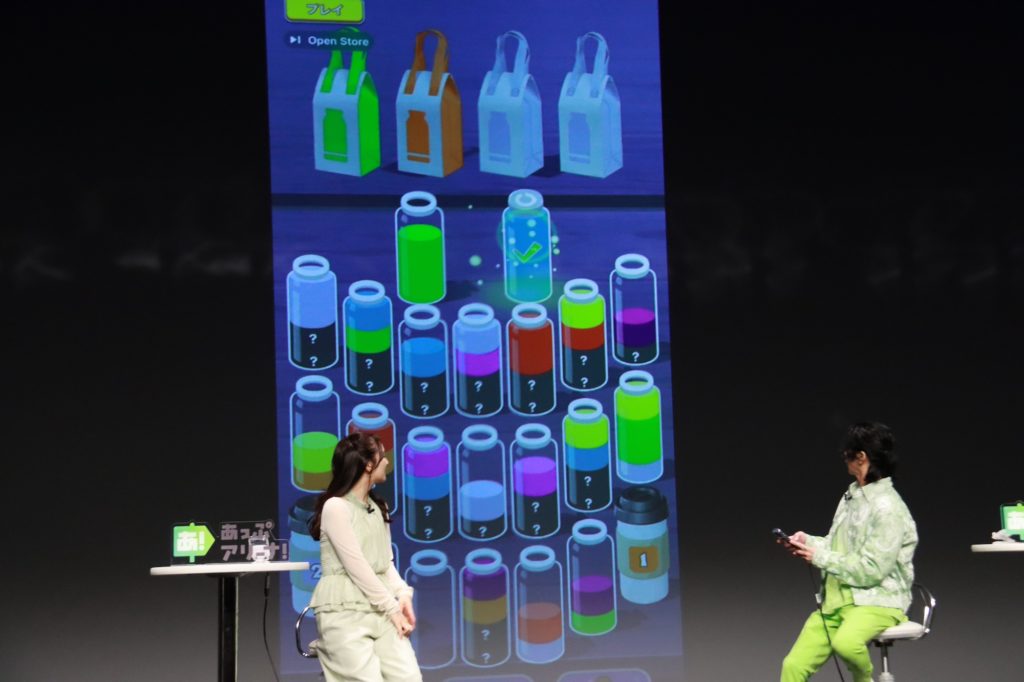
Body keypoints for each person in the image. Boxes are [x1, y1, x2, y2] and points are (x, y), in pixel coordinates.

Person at [780, 422, 918, 682]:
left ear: (861, 457)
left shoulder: (888, 508)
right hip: (837, 602)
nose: (844, 458)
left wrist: (818, 557)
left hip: (878, 602)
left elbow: (872, 570)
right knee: (793, 666)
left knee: (846, 643)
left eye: (847, 453)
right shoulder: (852, 496)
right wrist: (807, 542)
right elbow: (838, 547)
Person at [308, 432, 423, 681]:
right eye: (382, 456)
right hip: (344, 611)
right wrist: (392, 608)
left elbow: (385, 563)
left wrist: (403, 594)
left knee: (409, 677)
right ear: (369, 464)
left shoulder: (379, 508)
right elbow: (356, 566)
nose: (387, 461)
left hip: (380, 608)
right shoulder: (336, 507)